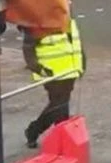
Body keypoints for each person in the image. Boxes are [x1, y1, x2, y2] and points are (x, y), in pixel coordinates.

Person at [21, 17, 85, 148]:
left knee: (59, 105)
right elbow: (28, 48)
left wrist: (81, 63)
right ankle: (63, 140)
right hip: (50, 70)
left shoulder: (67, 18)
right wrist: (38, 68)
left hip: (69, 69)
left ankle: (34, 130)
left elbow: (75, 42)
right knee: (59, 105)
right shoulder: (38, 19)